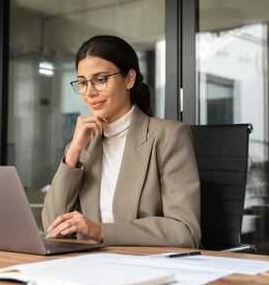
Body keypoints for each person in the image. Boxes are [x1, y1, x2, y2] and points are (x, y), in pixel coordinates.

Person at [42, 35, 201, 248]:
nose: (89, 92)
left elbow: (185, 232)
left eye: (100, 79)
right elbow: (53, 227)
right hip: (91, 267)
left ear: (129, 79)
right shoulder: (82, 147)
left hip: (148, 267)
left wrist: (100, 231)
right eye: (82, 82)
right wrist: (73, 153)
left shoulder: (169, 136)